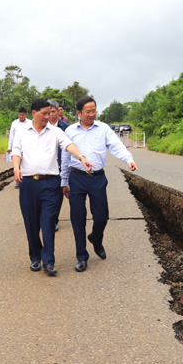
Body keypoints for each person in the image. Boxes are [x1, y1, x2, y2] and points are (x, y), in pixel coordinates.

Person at [12, 98, 95, 277]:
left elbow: (68, 144)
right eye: (44, 113)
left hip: (51, 184)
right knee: (31, 223)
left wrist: (81, 157)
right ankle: (35, 257)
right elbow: (16, 151)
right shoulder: (21, 132)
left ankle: (49, 261)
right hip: (28, 184)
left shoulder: (56, 131)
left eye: (50, 113)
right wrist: (16, 168)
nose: (48, 116)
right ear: (34, 113)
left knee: (48, 222)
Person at [60, 96, 138, 272]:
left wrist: (129, 159)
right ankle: (82, 256)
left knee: (102, 216)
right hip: (77, 178)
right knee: (77, 218)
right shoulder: (71, 131)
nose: (92, 114)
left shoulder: (103, 129)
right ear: (79, 113)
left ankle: (96, 238)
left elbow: (116, 146)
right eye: (88, 112)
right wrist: (64, 181)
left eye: (94, 110)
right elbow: (65, 157)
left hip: (97, 178)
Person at [47, 100, 69, 232]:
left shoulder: (66, 128)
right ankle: (46, 219)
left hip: (60, 166)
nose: (50, 115)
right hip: (46, 167)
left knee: (57, 196)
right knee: (46, 195)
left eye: (53, 112)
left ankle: (54, 220)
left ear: (57, 112)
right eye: (48, 112)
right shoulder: (42, 126)